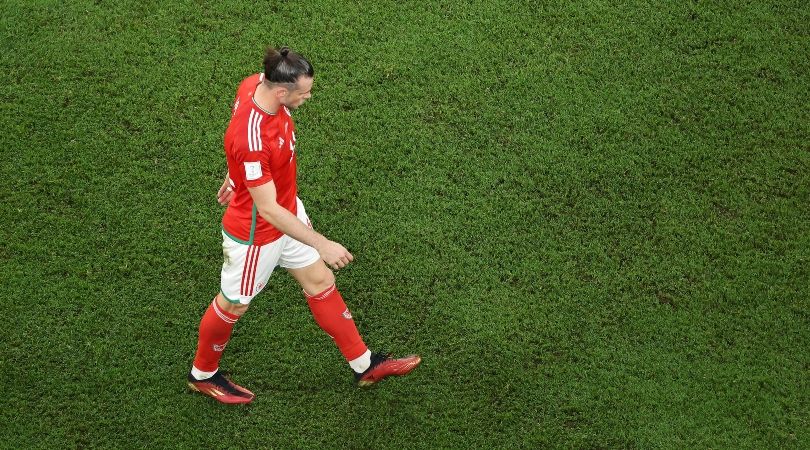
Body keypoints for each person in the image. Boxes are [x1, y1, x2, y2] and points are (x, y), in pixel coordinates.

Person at [187, 46, 421, 404]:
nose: (308, 97)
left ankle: (364, 365)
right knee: (234, 305)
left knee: (320, 281)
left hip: (287, 214)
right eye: (305, 92)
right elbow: (267, 209)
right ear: (282, 91)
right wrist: (322, 243)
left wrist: (236, 178)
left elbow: (237, 151)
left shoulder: (254, 84)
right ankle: (202, 375)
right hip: (258, 236)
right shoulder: (254, 140)